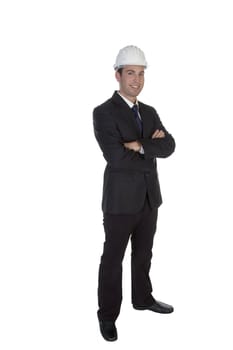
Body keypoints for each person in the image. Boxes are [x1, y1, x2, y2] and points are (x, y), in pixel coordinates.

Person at [93, 45, 176, 342]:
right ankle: (107, 316)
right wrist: (149, 146)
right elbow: (116, 158)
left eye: (141, 74)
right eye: (130, 73)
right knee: (113, 259)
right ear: (117, 75)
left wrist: (138, 145)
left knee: (144, 254)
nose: (136, 80)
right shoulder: (104, 113)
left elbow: (169, 146)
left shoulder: (150, 112)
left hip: (148, 199)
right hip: (119, 202)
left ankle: (143, 298)